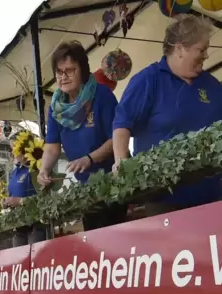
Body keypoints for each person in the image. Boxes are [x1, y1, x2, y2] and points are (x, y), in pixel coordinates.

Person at [113, 15, 222, 216]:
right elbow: (122, 123)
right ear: (180, 48)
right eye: (202, 49)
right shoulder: (148, 80)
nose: (206, 55)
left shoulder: (213, 86)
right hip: (164, 201)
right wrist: (121, 159)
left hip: (213, 197)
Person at [38, 40, 126, 231]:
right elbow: (52, 146)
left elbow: (118, 138)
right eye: (59, 72)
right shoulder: (56, 108)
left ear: (83, 71)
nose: (63, 77)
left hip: (114, 183)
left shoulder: (101, 95)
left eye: (70, 70)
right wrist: (44, 169)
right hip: (86, 191)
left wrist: (89, 159)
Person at [4, 137, 47, 247]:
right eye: (11, 149)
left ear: (24, 150)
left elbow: (43, 198)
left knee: (35, 260)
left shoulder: (36, 169)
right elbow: (13, 194)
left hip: (35, 225)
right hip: (19, 226)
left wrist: (20, 201)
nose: (12, 152)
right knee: (19, 261)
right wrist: (6, 202)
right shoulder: (15, 172)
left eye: (14, 149)